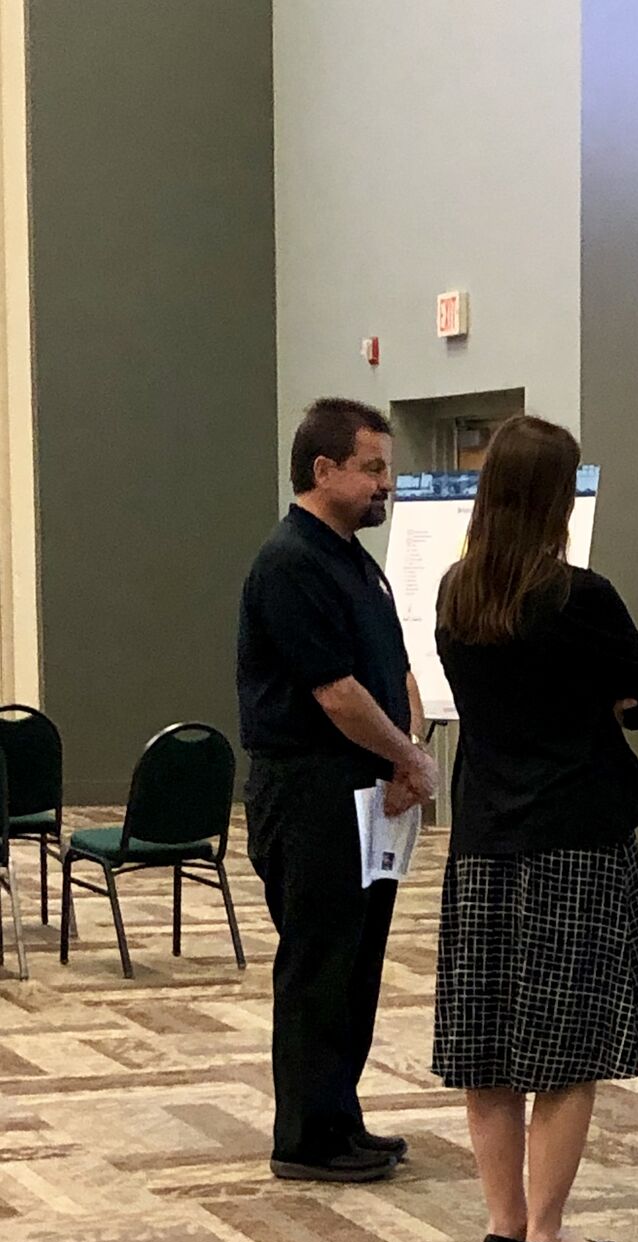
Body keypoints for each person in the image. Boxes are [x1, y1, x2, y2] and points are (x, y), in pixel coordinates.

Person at [433, 414, 638, 1242]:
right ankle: (548, 1230)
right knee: (569, 1052)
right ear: (555, 499)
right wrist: (596, 703)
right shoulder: (581, 597)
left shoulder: (456, 594)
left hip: (484, 839)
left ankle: (502, 1222)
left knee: (488, 1043)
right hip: (575, 838)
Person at [238, 397, 438, 1183]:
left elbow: (394, 669)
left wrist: (407, 754)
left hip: (365, 791)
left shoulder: (354, 560)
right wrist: (409, 759)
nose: (387, 484)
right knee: (318, 965)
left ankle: (339, 1118)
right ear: (324, 470)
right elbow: (336, 693)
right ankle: (305, 1139)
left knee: (355, 963)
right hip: (310, 792)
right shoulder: (291, 561)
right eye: (373, 468)